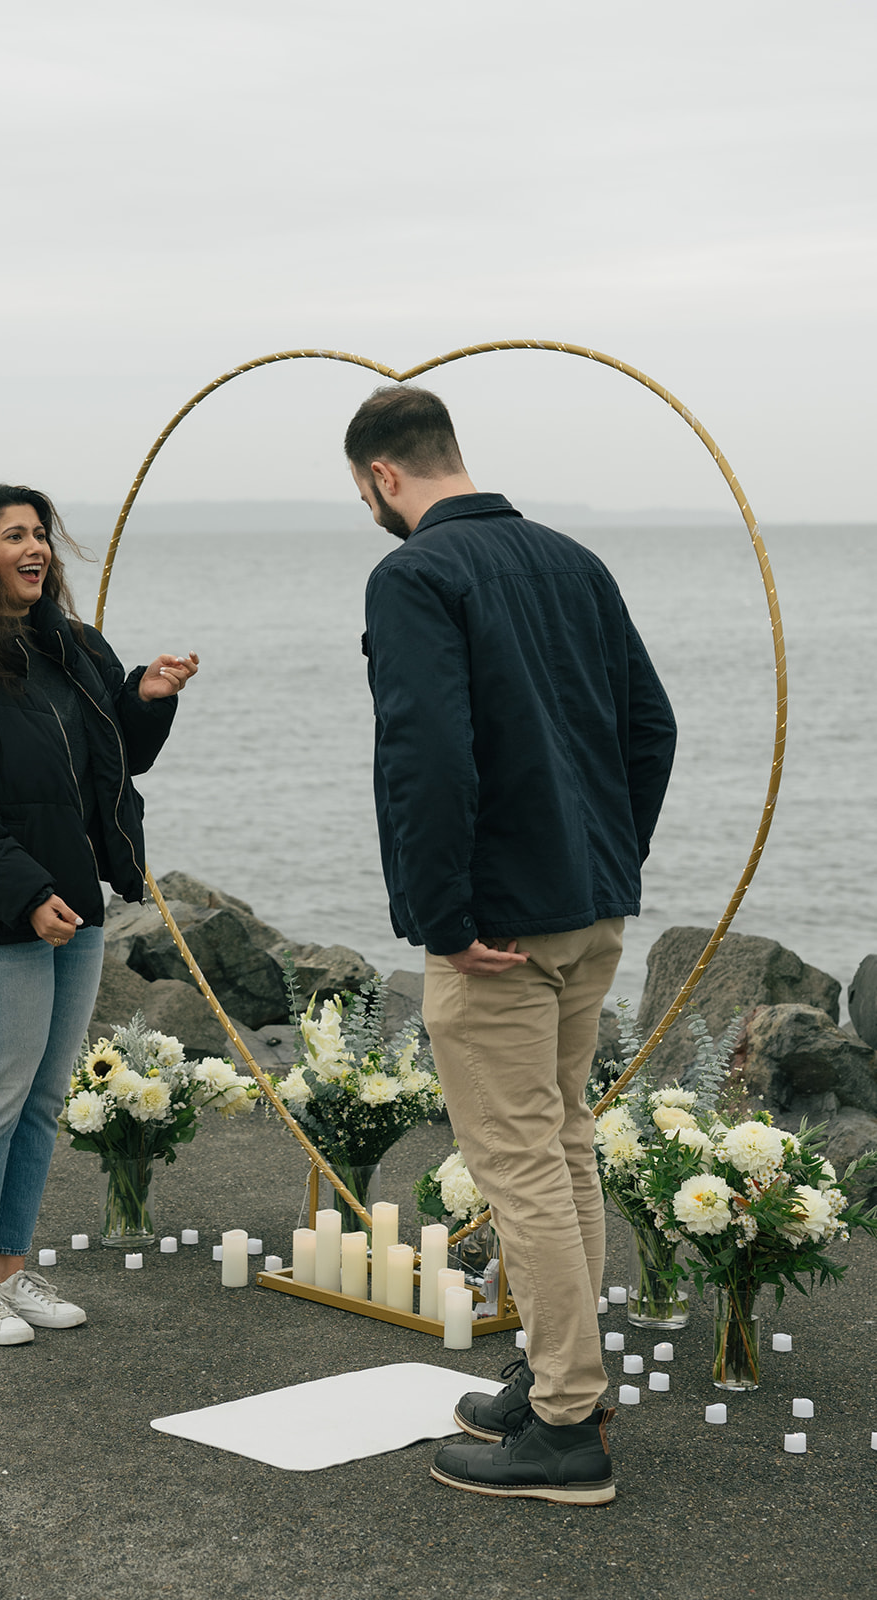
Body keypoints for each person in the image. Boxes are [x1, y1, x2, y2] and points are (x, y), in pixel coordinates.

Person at [345, 386, 676, 1505]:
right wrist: (603, 859)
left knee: (521, 1162)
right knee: (565, 1142)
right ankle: (554, 1379)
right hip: (588, 906)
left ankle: (566, 1428)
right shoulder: (571, 562)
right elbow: (648, 728)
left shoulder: (413, 575)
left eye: (363, 495)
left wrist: (442, 914)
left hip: (497, 930)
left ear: (383, 477)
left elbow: (425, 756)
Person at [0, 481, 198, 1346]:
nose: (36, 549)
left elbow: (118, 760)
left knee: (39, 1102)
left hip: (78, 909)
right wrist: (26, 896)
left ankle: (7, 1269)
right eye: (16, 536)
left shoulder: (73, 646)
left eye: (42, 536)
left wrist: (148, 695)